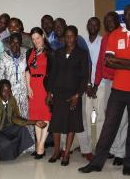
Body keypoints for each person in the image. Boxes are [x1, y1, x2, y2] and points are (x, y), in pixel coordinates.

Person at [79, 4, 130, 176]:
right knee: (109, 126)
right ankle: (97, 163)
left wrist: (121, 62)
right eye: (126, 15)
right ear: (123, 17)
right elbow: (108, 61)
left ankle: (129, 163)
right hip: (118, 89)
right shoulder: (114, 36)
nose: (129, 17)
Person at [47, 25, 89, 166]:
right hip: (58, 93)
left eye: (72, 36)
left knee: (72, 123)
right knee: (56, 124)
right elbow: (53, 74)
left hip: (73, 94)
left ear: (76, 38)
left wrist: (78, 95)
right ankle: (57, 151)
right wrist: (49, 92)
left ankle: (66, 153)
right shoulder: (58, 52)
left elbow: (84, 77)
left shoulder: (82, 53)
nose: (69, 39)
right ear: (64, 38)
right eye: (67, 36)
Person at [94, 11, 128, 166]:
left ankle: (121, 152)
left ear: (117, 20)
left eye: (111, 20)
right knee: (111, 118)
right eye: (106, 21)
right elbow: (101, 62)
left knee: (123, 118)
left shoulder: (124, 35)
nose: (109, 23)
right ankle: (113, 149)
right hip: (108, 83)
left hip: (122, 82)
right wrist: (96, 83)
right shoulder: (106, 38)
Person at [0, 79, 47, 161]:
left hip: (8, 128)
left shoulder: (11, 99)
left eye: (9, 90)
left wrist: (35, 122)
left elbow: (16, 118)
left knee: (23, 129)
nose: (7, 93)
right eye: (4, 91)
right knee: (6, 143)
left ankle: (12, 152)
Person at [0, 33, 35, 150]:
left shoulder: (25, 55)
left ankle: (30, 145)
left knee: (25, 117)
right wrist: (2, 95)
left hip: (23, 92)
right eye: (12, 42)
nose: (15, 45)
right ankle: (15, 146)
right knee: (12, 120)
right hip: (9, 94)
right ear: (9, 43)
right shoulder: (3, 56)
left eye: (17, 42)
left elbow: (29, 72)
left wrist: (29, 89)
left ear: (21, 43)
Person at [26, 27, 52, 159]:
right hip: (33, 87)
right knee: (36, 116)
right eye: (33, 39)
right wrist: (28, 87)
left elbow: (53, 73)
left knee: (46, 115)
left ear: (43, 36)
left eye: (38, 38)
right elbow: (27, 70)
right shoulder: (30, 52)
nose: (36, 41)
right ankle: (39, 145)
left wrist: (51, 92)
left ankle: (41, 145)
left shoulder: (50, 52)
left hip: (45, 86)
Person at [81, 17, 103, 160]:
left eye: (95, 24)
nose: (93, 26)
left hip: (100, 85)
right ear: (87, 26)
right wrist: (87, 85)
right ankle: (87, 147)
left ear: (99, 26)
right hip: (85, 86)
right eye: (90, 24)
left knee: (101, 117)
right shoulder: (82, 42)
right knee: (86, 117)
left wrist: (94, 86)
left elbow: (102, 64)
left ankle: (100, 147)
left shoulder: (102, 41)